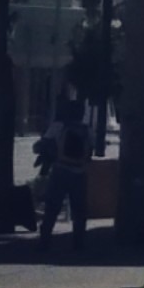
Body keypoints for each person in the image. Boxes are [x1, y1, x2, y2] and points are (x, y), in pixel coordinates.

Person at [37, 96, 93, 254]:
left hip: (60, 170)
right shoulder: (87, 129)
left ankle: (44, 241)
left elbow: (44, 145)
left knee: (52, 207)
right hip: (80, 173)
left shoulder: (58, 126)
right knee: (79, 210)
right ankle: (78, 243)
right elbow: (90, 151)